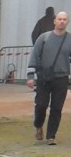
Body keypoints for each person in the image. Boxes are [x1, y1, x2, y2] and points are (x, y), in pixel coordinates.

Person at [27, 10, 70, 144]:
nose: (62, 21)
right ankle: (38, 125)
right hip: (44, 78)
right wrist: (30, 76)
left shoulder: (69, 39)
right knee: (41, 105)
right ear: (54, 21)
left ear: (67, 22)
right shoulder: (44, 38)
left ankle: (51, 136)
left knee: (57, 108)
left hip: (62, 78)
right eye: (59, 19)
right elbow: (35, 56)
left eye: (64, 19)